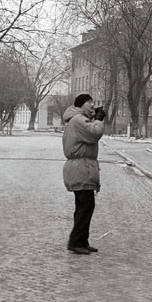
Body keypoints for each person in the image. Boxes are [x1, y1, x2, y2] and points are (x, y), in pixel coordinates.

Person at [62, 93, 105, 255]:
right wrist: (99, 120)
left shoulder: (78, 119)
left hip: (82, 166)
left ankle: (81, 241)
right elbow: (93, 134)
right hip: (81, 167)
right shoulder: (78, 120)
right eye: (89, 102)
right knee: (85, 206)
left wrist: (95, 120)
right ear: (81, 105)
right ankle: (75, 241)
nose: (92, 105)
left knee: (84, 206)